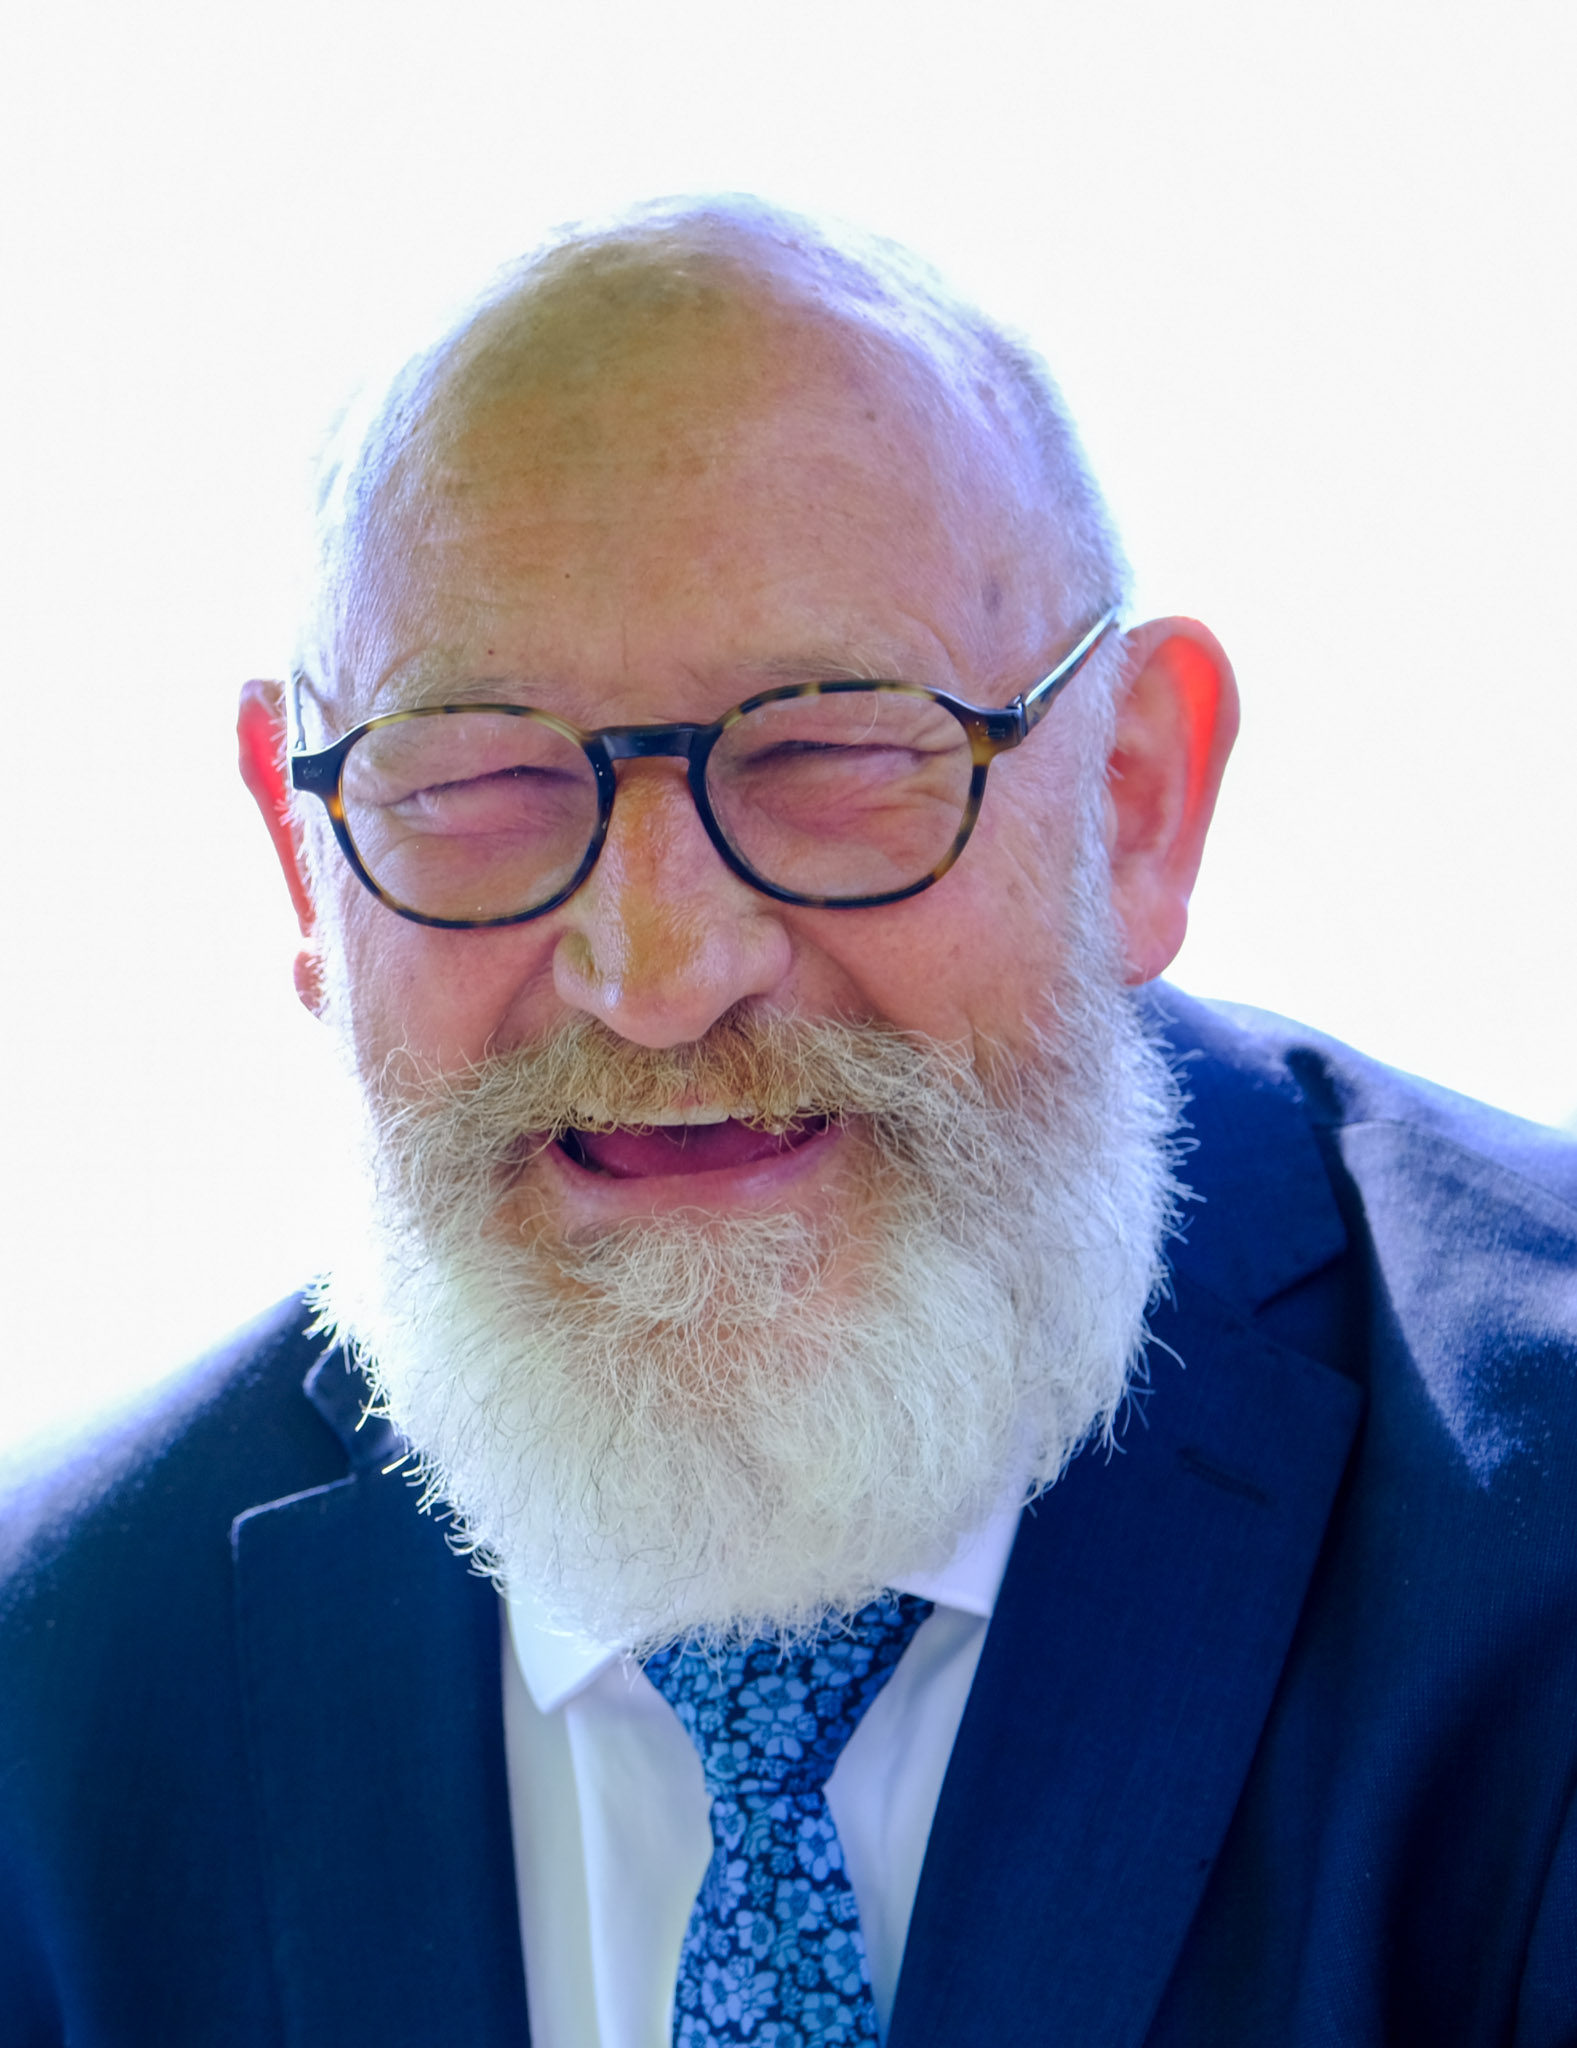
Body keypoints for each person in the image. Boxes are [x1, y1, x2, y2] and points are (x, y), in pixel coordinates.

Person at [2, 197, 1574, 2048]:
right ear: (303, 854)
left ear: (1133, 802)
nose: (656, 974)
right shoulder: (56, 1687)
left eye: (826, 753)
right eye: (480, 778)